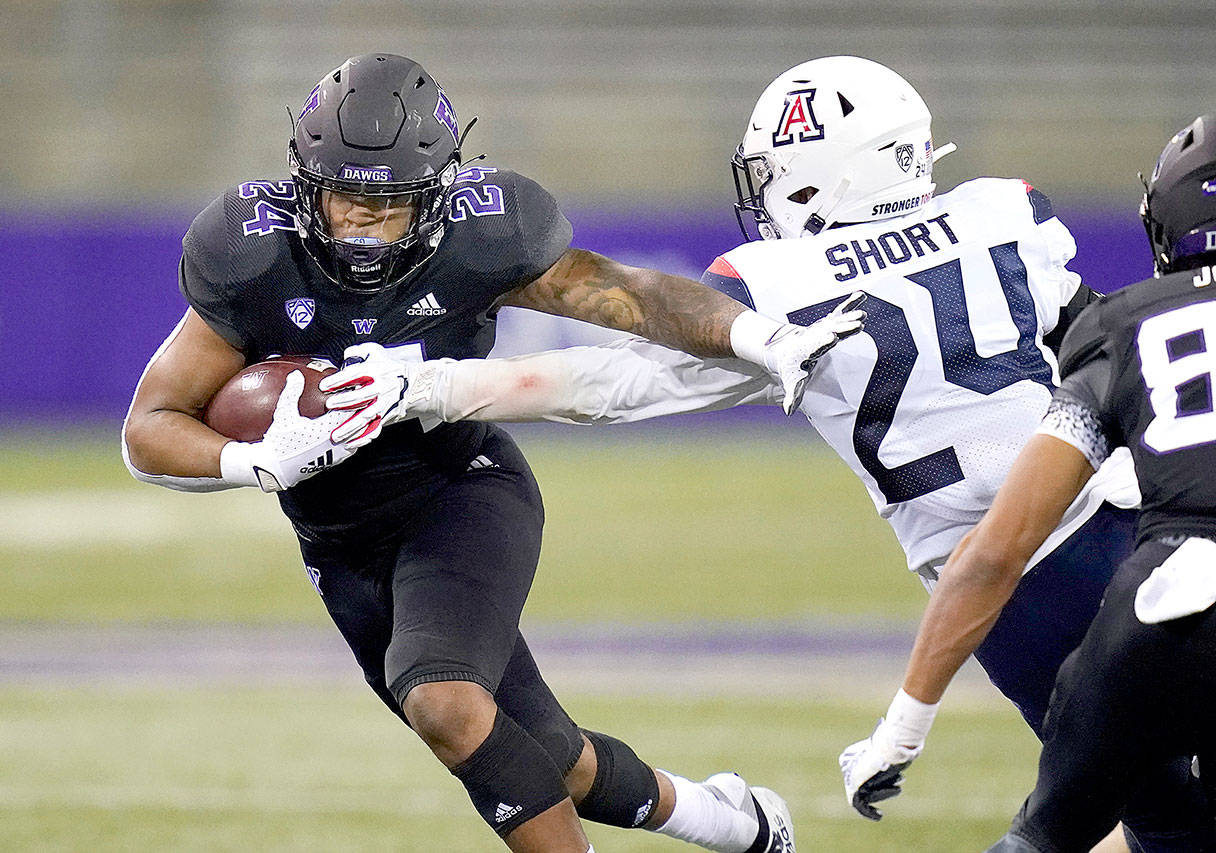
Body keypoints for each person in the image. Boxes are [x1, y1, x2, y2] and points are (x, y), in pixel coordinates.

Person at [324, 56, 1210, 851]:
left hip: (1017, 592)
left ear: (828, 174)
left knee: (1153, 815)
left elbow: (615, 384)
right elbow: (1109, 357)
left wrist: (434, 387)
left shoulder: (786, 286)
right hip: (1139, 530)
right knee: (1151, 799)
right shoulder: (1005, 215)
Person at [120, 53, 856, 853]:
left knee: (444, 701)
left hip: (458, 489)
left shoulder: (485, 234)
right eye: (341, 194)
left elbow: (634, 297)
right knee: (550, 756)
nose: (361, 219)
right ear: (304, 181)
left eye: (389, 201)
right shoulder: (252, 250)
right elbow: (151, 424)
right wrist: (259, 462)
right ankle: (741, 823)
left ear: (435, 195)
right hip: (338, 543)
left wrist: (756, 335)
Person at [840, 115, 1216, 852]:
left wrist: (903, 727)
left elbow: (997, 549)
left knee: (1049, 837)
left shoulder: (1124, 329)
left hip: (1159, 612)